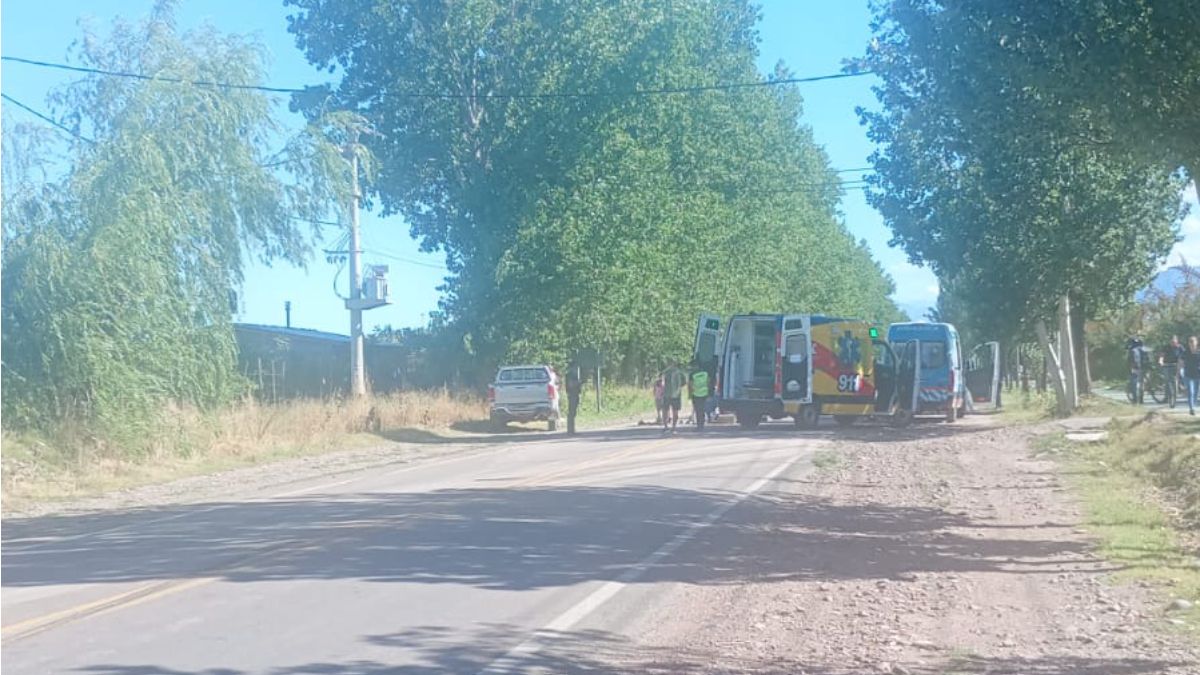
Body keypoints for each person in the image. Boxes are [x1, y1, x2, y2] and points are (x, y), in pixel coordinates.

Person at [1159, 335, 1185, 409]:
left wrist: (1182, 363)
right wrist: (1161, 361)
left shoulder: (1180, 347)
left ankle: (1182, 387)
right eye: (1171, 341)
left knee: (1181, 375)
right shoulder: (1166, 347)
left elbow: (1184, 356)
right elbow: (1162, 355)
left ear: (1177, 341)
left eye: (1174, 341)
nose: (1172, 343)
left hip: (1177, 365)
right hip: (1167, 365)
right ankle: (1167, 396)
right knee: (1167, 380)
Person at [661, 361, 687, 433]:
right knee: (675, 411)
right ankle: (674, 427)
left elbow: (661, 383)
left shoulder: (665, 372)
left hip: (666, 394)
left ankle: (666, 426)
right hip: (676, 394)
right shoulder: (679, 372)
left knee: (665, 410)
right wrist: (678, 388)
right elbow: (684, 382)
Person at [687, 359, 711, 431]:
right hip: (704, 393)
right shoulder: (705, 373)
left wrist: (690, 395)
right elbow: (708, 382)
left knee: (698, 410)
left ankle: (699, 426)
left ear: (695, 366)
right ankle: (702, 425)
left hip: (696, 394)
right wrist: (709, 393)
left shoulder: (692, 374)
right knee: (703, 410)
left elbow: (690, 385)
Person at [565, 361, 583, 435]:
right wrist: (579, 383)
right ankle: (570, 430)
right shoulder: (570, 375)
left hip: (575, 394)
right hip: (572, 394)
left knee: (573, 412)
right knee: (571, 412)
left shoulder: (573, 374)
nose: (576, 368)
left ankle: (572, 429)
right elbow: (571, 384)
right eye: (575, 367)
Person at [1127, 337, 1146, 405]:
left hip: (1136, 368)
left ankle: (1135, 400)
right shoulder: (1145, 349)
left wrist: (1133, 368)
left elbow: (1132, 361)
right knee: (1142, 384)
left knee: (1134, 384)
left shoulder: (1133, 350)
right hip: (1145, 368)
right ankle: (1141, 399)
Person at [1184, 336, 1200, 416]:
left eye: (1193, 342)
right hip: (1188, 374)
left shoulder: (1199, 352)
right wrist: (1178, 373)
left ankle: (1193, 405)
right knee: (1191, 391)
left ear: (1196, 343)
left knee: (1196, 393)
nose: (1192, 343)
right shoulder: (1186, 352)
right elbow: (1180, 362)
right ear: (1189, 343)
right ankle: (1191, 408)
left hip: (1197, 374)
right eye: (1190, 342)